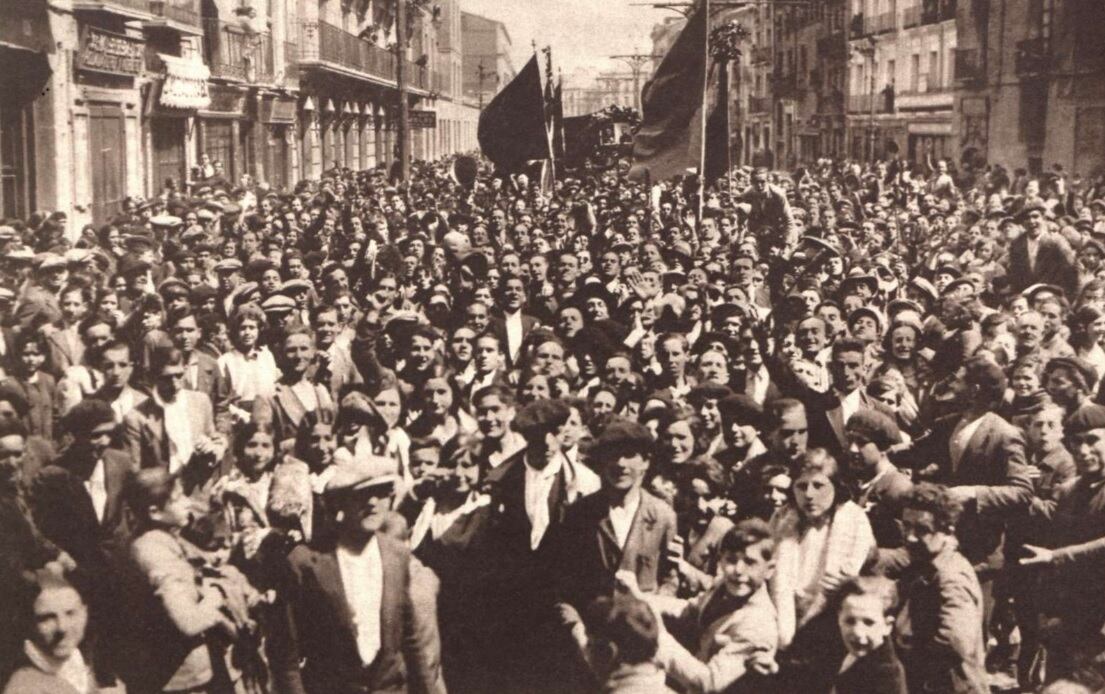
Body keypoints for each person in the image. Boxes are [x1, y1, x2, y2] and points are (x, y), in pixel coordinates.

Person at [267, 456, 444, 694]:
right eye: (362, 494)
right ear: (341, 502)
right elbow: (286, 655)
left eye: (382, 492)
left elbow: (411, 640)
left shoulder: (396, 555)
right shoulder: (306, 562)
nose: (373, 503)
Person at [874, 483, 988, 694]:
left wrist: (906, 658)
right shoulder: (924, 560)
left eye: (922, 530)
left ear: (946, 531)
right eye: (906, 526)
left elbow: (955, 641)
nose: (910, 537)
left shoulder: (952, 575)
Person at [2, 571, 95, 694]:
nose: (62, 627)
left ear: (85, 614)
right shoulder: (24, 687)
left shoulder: (80, 667)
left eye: (70, 613)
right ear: (30, 624)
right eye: (47, 618)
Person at [830, 576, 908, 694]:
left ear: (887, 626)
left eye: (869, 622)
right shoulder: (843, 649)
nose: (858, 632)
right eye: (850, 621)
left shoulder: (888, 677)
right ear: (838, 618)